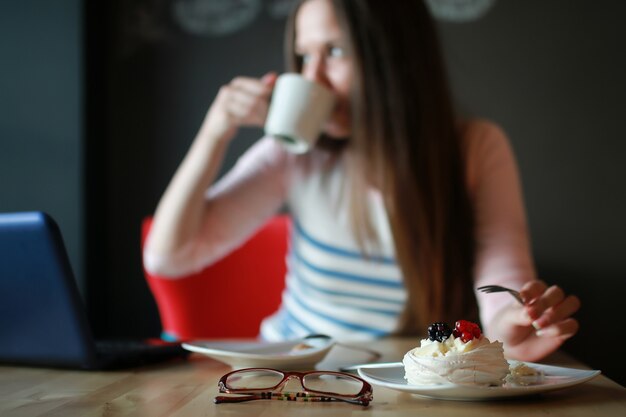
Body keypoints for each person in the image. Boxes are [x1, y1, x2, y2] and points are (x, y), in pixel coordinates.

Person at [143, 0, 580, 362]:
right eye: (304, 56)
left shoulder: (475, 149)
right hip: (294, 370)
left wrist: (513, 326)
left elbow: (502, 285)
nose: (311, 78)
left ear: (395, 56)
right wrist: (215, 131)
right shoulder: (295, 152)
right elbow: (169, 257)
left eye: (334, 52)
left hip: (403, 378)